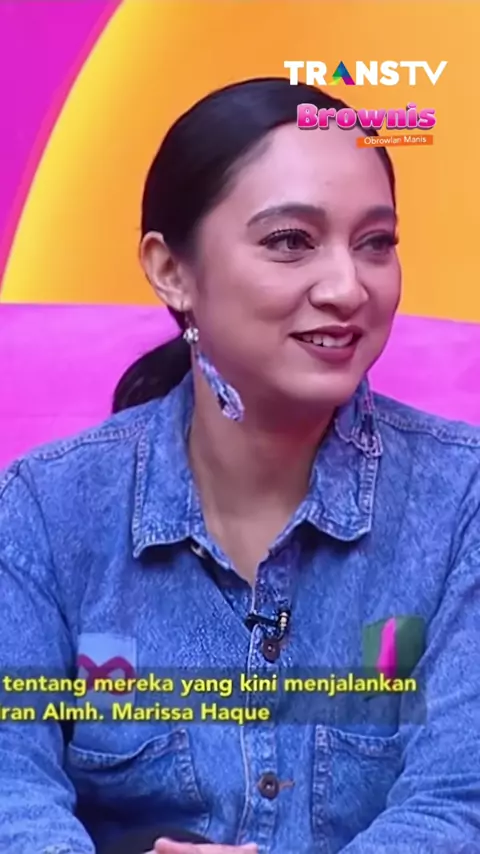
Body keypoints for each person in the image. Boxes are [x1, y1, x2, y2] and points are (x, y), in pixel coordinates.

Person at [0, 76, 479, 854]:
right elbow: (10, 792)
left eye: (375, 243)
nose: (347, 287)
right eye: (290, 241)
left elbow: (458, 804)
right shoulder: (44, 513)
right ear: (171, 270)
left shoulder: (461, 503)